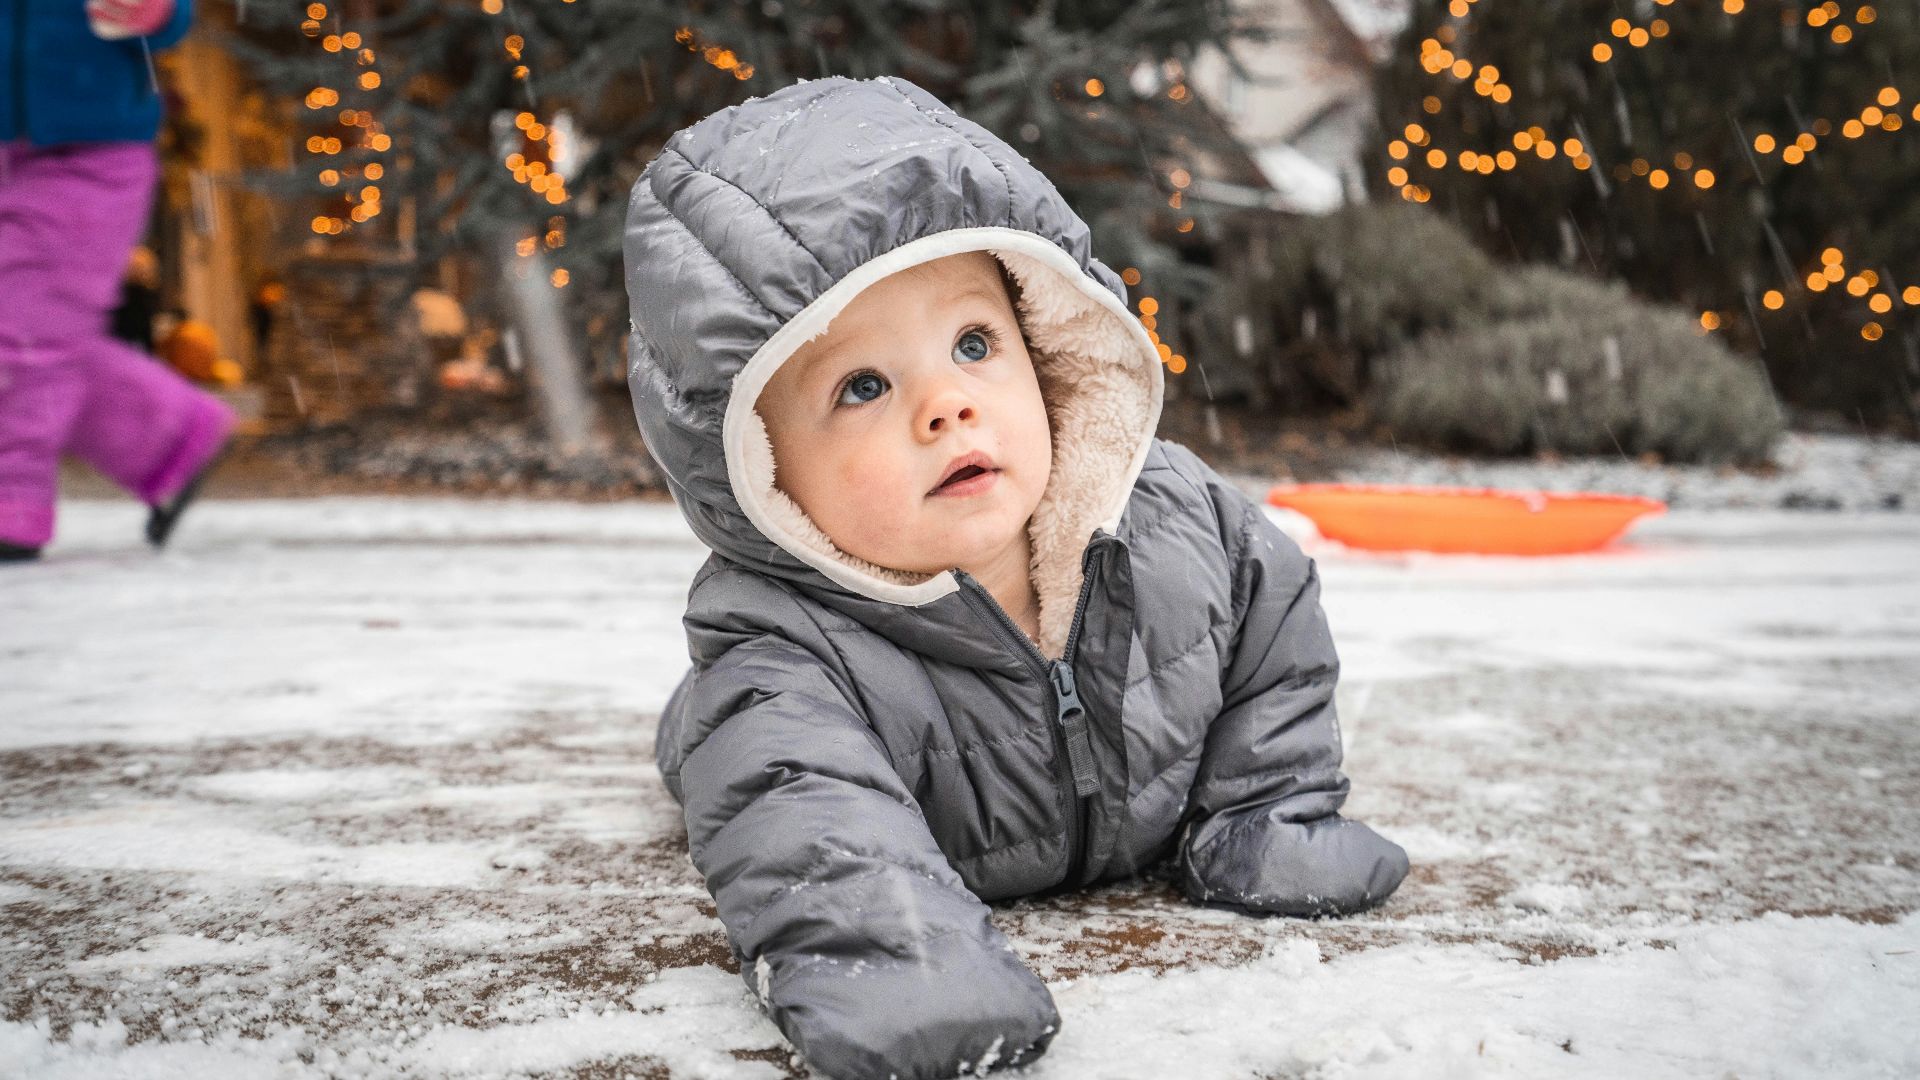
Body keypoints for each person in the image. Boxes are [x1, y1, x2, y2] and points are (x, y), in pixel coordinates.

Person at [625, 75, 1410, 1080]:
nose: (947, 405)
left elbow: (1273, 637)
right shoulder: (788, 653)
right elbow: (813, 825)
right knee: (737, 736)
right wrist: (906, 970)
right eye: (862, 385)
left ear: (1047, 345)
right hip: (794, 731)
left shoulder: (1185, 528)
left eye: (974, 343)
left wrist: (1267, 808)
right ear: (763, 470)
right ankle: (693, 729)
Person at [0, 0, 233, 562]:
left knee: (29, 332)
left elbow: (174, 18)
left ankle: (14, 505)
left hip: (90, 151)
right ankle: (168, 435)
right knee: (34, 327)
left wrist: (157, 11)